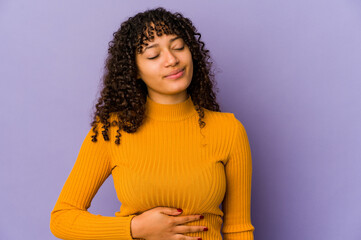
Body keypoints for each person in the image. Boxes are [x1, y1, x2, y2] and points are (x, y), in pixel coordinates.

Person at [50, 7, 255, 240]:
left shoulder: (228, 129)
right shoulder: (112, 131)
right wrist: (135, 228)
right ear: (134, 71)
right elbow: (61, 219)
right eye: (153, 55)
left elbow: (239, 229)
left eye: (178, 47)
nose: (172, 60)